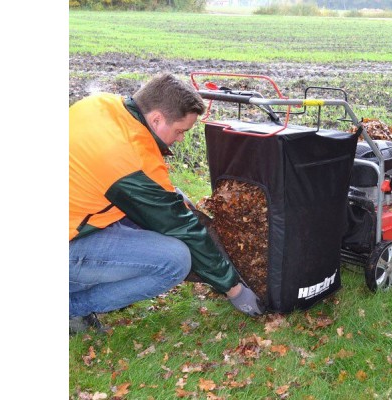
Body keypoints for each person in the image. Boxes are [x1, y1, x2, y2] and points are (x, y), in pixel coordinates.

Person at [69, 73, 264, 334]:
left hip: (77, 214)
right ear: (157, 119)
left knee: (172, 198)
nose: (181, 138)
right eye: (180, 131)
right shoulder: (124, 159)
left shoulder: (102, 104)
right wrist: (234, 289)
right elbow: (182, 228)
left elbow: (136, 179)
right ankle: (73, 307)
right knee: (175, 260)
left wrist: (172, 196)